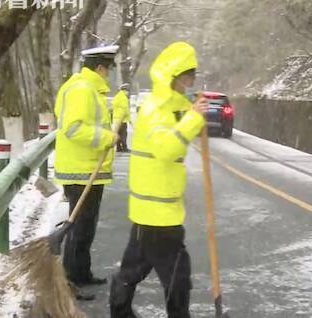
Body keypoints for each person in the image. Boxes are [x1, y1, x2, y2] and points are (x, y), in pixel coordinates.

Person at [109, 42, 208, 318]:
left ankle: (119, 309)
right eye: (187, 76)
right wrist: (192, 119)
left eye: (193, 77)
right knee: (178, 275)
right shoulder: (156, 108)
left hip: (153, 208)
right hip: (158, 212)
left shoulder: (169, 106)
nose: (190, 82)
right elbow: (166, 149)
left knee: (134, 268)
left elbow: (178, 132)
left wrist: (191, 116)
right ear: (173, 76)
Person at [54, 45, 120, 300]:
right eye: (109, 69)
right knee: (79, 227)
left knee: (86, 226)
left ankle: (81, 273)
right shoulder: (82, 90)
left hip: (88, 168)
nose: (109, 75)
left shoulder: (86, 87)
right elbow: (73, 128)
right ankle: (70, 280)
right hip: (81, 170)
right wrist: (106, 137)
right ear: (100, 68)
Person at [112, 83, 131, 152]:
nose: (128, 93)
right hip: (123, 120)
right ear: (125, 90)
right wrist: (129, 119)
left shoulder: (116, 97)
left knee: (118, 134)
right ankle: (124, 148)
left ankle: (118, 148)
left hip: (116, 119)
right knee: (123, 134)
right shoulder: (123, 98)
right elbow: (125, 109)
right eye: (127, 91)